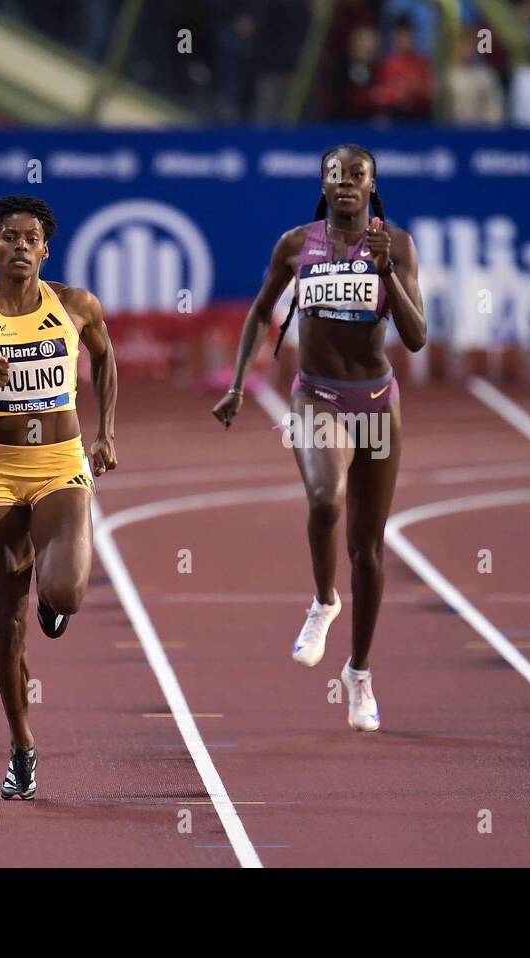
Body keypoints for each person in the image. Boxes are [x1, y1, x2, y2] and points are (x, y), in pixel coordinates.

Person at [212, 144, 427, 731]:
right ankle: (323, 602)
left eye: (356, 175)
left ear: (372, 184)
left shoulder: (397, 246)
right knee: (325, 499)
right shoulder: (295, 244)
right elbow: (260, 311)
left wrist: (386, 273)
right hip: (317, 396)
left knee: (369, 549)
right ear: (324, 185)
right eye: (334, 175)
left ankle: (359, 673)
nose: (345, 184)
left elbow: (416, 337)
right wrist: (237, 385)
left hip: (378, 402)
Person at [0, 196, 117, 798]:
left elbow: (106, 357)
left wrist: (106, 431)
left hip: (61, 464)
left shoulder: (77, 306)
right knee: (5, 626)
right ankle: (21, 745)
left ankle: (52, 602)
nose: (19, 246)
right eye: (8, 237)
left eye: (30, 238)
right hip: (0, 475)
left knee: (63, 593)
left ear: (45, 249)